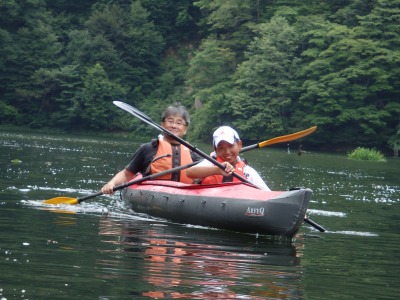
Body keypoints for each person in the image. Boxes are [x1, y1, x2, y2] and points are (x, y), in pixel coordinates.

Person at [101, 103, 201, 194]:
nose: (174, 126)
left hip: (183, 195)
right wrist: (112, 183)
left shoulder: (193, 153)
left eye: (179, 123)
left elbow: (205, 175)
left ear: (185, 129)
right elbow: (127, 174)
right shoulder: (148, 149)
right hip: (153, 194)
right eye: (170, 121)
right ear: (162, 125)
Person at [186, 126, 271, 191]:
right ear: (215, 149)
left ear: (239, 145)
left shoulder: (247, 172)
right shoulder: (210, 163)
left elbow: (267, 194)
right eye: (221, 148)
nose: (227, 152)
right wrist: (218, 170)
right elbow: (189, 173)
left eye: (231, 146)